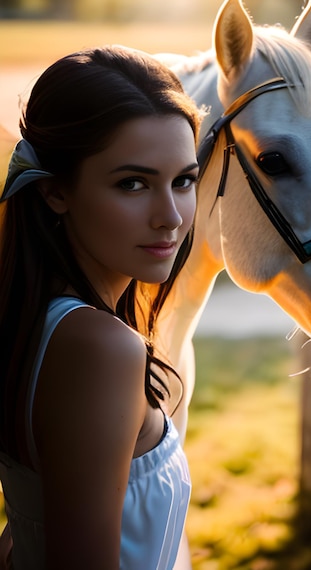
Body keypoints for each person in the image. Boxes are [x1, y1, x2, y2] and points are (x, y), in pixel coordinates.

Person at [0, 45, 202, 570]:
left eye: (183, 180)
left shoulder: (36, 319)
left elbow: (30, 524)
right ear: (54, 192)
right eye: (132, 183)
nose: (171, 217)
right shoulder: (100, 347)